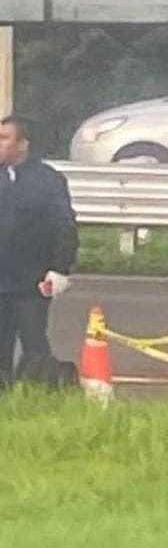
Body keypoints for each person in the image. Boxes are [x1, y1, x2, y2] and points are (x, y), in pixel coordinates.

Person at [0, 115, 78, 389]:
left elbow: (64, 226)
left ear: (22, 144)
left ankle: (37, 395)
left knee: (34, 343)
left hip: (32, 282)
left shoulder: (47, 180)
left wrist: (60, 267)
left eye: (4, 138)